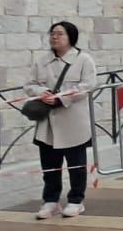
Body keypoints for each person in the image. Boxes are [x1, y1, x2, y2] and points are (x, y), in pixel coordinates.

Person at [24, 21, 98, 220]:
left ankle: (76, 200)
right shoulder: (42, 61)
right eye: (52, 33)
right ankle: (51, 201)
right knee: (49, 165)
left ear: (70, 37)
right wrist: (42, 93)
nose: (54, 37)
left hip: (73, 122)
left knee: (76, 164)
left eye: (59, 34)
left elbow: (88, 85)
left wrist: (61, 97)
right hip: (47, 123)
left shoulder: (83, 60)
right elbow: (30, 85)